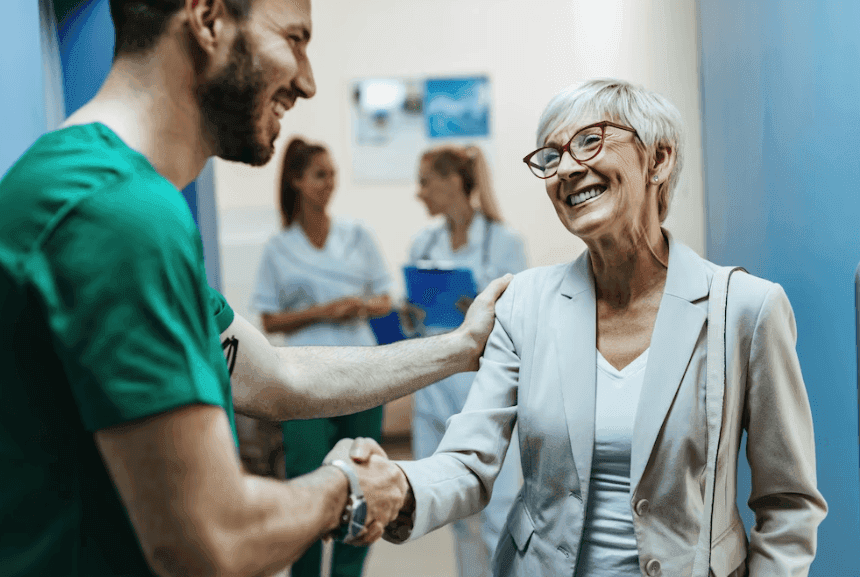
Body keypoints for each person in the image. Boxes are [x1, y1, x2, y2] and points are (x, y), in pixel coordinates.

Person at [0, 1, 511, 576]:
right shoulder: (118, 214)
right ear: (208, 17)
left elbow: (274, 377)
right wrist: (350, 488)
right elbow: (213, 539)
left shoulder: (92, 186)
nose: (308, 81)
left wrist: (463, 347)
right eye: (294, 39)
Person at [374, 79, 828, 577]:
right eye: (550, 156)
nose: (566, 168)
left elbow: (788, 503)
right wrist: (393, 485)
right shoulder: (524, 303)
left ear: (659, 160)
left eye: (590, 141)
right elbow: (469, 462)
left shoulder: (745, 308)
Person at [250, 137, 393, 577]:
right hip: (304, 379)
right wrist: (323, 311)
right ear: (296, 180)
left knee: (362, 482)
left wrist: (360, 306)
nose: (329, 182)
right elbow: (271, 320)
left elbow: (385, 300)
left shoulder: (357, 235)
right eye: (319, 175)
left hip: (362, 374)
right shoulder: (279, 248)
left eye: (332, 173)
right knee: (307, 480)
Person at [408, 144, 527, 577]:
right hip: (437, 389)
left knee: (497, 515)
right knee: (457, 515)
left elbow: (519, 319)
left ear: (453, 182)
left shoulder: (503, 241)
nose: (418, 193)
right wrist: (411, 314)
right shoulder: (424, 242)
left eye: (425, 182)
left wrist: (475, 309)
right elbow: (416, 321)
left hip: (486, 390)